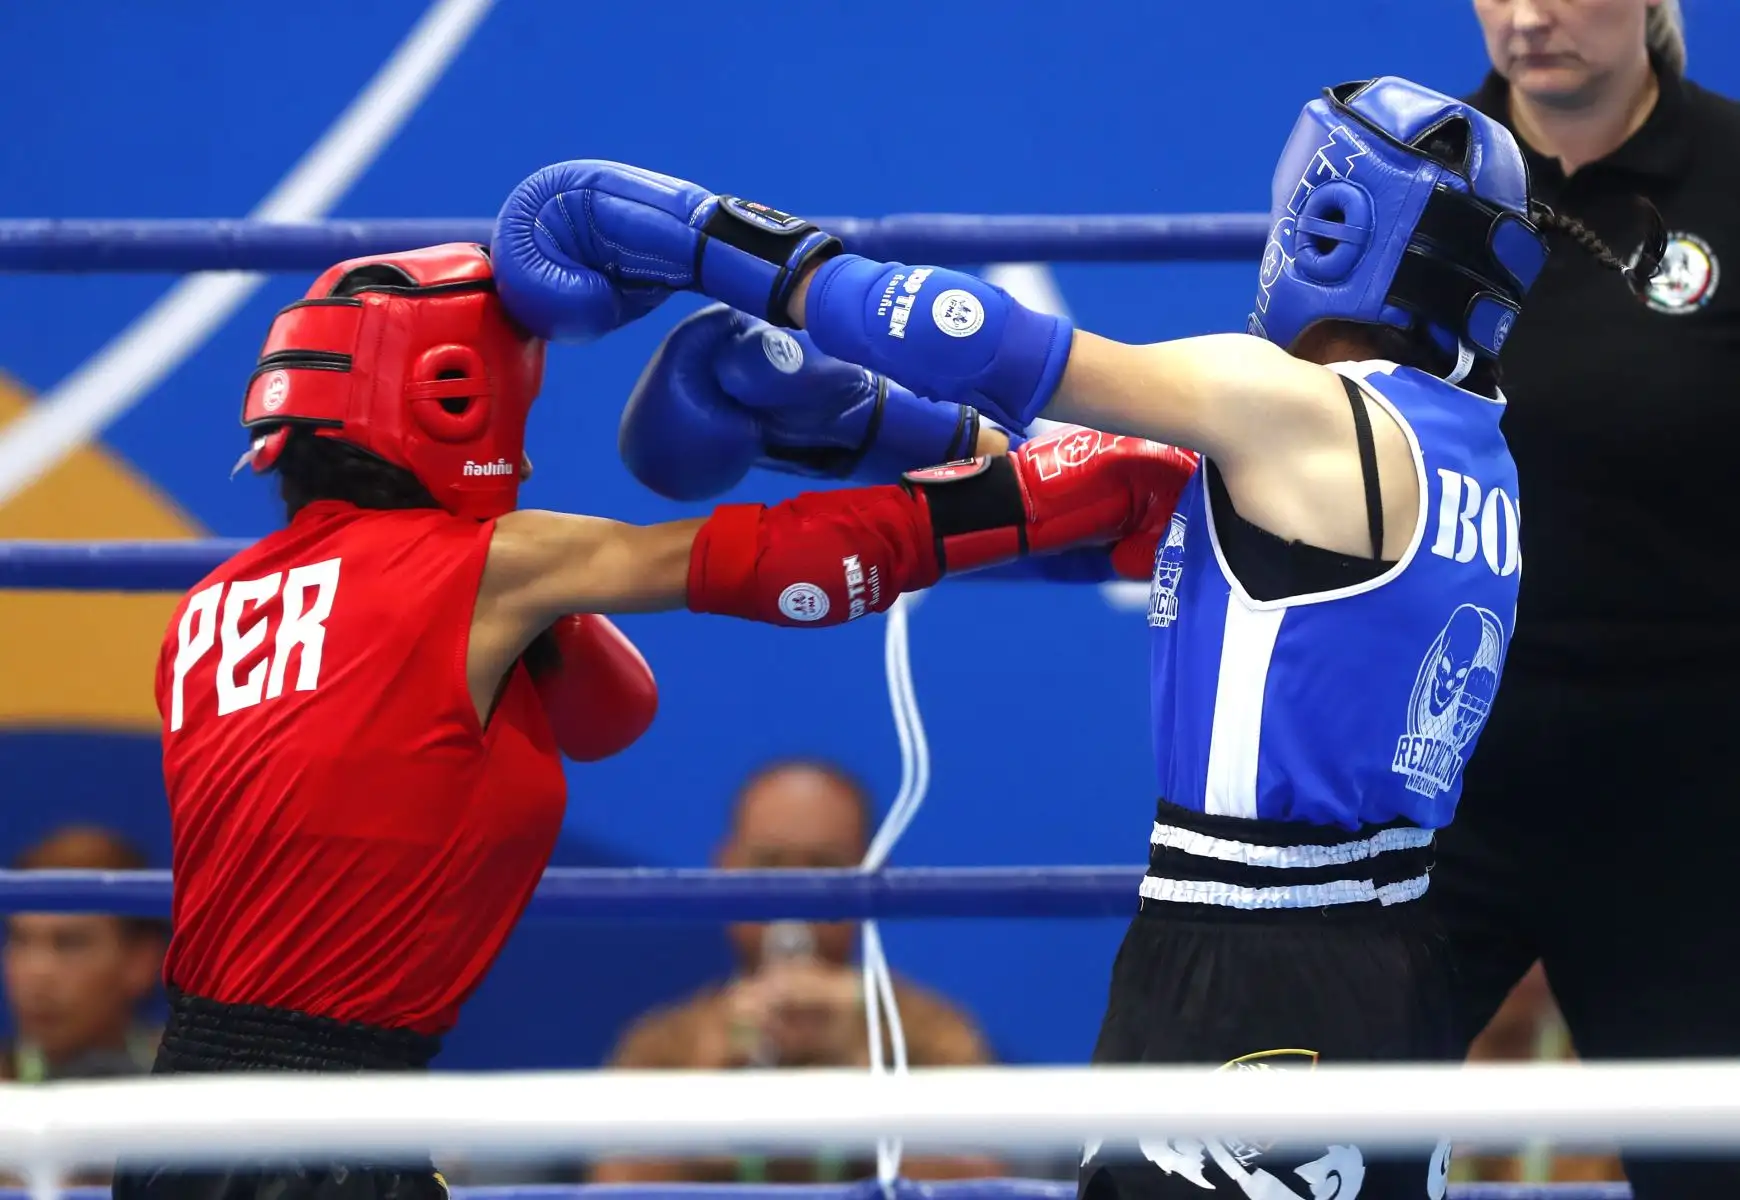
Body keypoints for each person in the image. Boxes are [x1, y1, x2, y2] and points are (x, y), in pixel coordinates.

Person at [492, 76, 1659, 1198]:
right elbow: (1115, 489)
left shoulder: (1293, 407)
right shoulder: (1466, 452)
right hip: (1390, 950)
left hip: (1247, 962)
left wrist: (713, 244)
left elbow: (1001, 347)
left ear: (1334, 222)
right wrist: (851, 428)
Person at [133, 242, 1191, 1200]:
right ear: (450, 396)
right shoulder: (481, 571)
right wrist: (1049, 492)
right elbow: (761, 558)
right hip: (316, 1132)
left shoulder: (209, 612)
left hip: (186, 1110)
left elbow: (569, 724)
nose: (528, 457)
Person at [1429, 3, 1740, 1197]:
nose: (1530, 17)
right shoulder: (1403, 175)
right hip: (1437, 768)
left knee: (1730, 1172)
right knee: (1302, 1143)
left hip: (1702, 786)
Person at [593, 760, 1000, 1184]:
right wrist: (708, 1083)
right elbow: (613, 1187)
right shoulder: (667, 1041)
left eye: (825, 867)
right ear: (725, 869)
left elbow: (981, 1184)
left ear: (875, 875)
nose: (796, 894)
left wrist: (863, 1062)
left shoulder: (929, 1031)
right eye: (768, 865)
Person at [3, 827, 166, 1084]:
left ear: (142, 960)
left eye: (70, 943)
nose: (36, 972)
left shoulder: (199, 1084)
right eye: (21, 940)